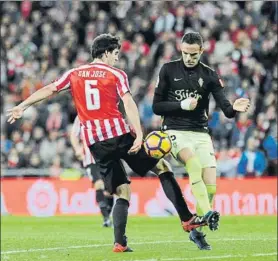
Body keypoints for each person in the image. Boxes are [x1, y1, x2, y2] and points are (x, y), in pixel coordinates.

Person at [7, 34, 219, 253]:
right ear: (106, 52)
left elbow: (50, 89)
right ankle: (187, 219)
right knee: (162, 167)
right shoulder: (116, 74)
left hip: (95, 144)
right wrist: (138, 134)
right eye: (116, 54)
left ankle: (120, 243)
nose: (117, 59)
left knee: (122, 190)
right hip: (118, 136)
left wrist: (22, 106)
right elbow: (128, 102)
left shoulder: (74, 73)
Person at [152, 31, 250, 250]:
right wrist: (181, 105)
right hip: (174, 131)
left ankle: (197, 232)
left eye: (193, 55)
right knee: (193, 163)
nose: (189, 58)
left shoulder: (209, 75)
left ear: (202, 52)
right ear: (181, 49)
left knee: (211, 187)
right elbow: (156, 106)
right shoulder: (168, 70)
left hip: (201, 133)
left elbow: (225, 107)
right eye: (186, 53)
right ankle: (207, 213)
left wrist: (234, 108)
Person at [70, 115, 114, 227]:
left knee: (110, 190)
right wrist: (77, 149)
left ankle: (108, 215)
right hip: (90, 159)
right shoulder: (80, 116)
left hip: (106, 157)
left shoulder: (105, 113)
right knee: (98, 184)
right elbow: (74, 135)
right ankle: (106, 219)